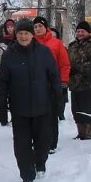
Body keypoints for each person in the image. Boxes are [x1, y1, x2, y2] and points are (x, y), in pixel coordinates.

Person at [0, 20, 61, 182]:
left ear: (32, 34)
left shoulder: (44, 52)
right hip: (20, 107)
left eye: (26, 33)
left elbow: (54, 77)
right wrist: (2, 107)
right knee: (22, 144)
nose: (23, 36)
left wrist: (58, 101)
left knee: (43, 142)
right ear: (15, 35)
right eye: (20, 33)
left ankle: (40, 163)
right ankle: (27, 174)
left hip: (42, 105)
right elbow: (3, 82)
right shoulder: (9, 54)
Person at [32, 16, 69, 152]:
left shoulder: (56, 43)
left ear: (46, 27)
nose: (37, 29)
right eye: (35, 27)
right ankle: (38, 141)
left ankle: (52, 143)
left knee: (51, 115)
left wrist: (63, 82)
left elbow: (64, 64)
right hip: (35, 85)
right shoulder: (31, 43)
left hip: (51, 84)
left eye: (40, 26)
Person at [67, 21, 91, 139]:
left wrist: (78, 68)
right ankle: (81, 131)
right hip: (74, 82)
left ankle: (90, 131)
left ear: (87, 32)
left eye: (82, 31)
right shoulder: (72, 45)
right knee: (76, 109)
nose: (80, 33)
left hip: (86, 82)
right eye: (78, 31)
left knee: (88, 108)